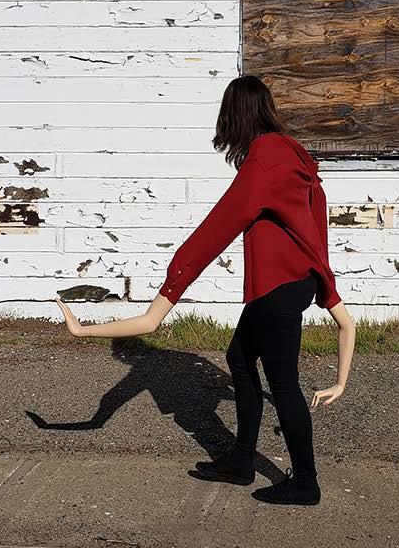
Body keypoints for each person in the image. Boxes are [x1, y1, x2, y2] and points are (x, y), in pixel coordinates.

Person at [56, 75, 356, 506]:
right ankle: (241, 461)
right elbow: (314, 225)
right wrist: (325, 284)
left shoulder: (265, 158)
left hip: (278, 288)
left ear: (235, 115)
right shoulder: (294, 154)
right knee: (239, 358)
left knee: (284, 383)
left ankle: (305, 482)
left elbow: (219, 226)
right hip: (290, 283)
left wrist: (170, 288)